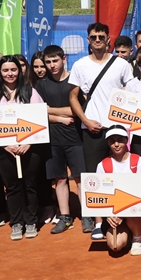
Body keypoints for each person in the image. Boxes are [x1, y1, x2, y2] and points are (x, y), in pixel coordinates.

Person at [0, 55, 45, 241]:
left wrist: (28, 143)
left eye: (13, 70)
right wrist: (6, 144)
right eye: (5, 70)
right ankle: (17, 222)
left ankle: (31, 220)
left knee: (29, 185)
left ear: (19, 71)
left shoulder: (30, 92)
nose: (10, 74)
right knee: (12, 187)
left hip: (30, 149)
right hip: (4, 151)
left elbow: (40, 119)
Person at [34, 45, 88, 235]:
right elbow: (38, 112)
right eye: (48, 62)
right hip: (53, 140)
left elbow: (77, 110)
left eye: (55, 61)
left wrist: (50, 109)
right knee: (60, 179)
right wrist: (60, 115)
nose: (51, 65)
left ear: (63, 59)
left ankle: (87, 215)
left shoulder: (74, 81)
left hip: (76, 138)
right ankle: (65, 217)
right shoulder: (41, 85)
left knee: (81, 178)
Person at [69, 23, 133, 175]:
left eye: (101, 37)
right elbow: (72, 98)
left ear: (108, 40)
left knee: (122, 171)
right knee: (94, 173)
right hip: (93, 128)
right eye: (93, 37)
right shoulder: (80, 65)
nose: (97, 40)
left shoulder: (121, 64)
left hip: (118, 126)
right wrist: (86, 121)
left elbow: (131, 92)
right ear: (88, 40)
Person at [95, 125, 141, 255]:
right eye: (112, 141)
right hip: (114, 214)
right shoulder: (102, 165)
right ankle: (128, 233)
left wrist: (123, 214)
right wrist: (108, 214)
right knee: (115, 246)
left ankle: (137, 238)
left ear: (126, 141)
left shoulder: (139, 161)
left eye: (120, 140)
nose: (116, 144)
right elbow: (100, 194)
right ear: (108, 143)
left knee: (134, 209)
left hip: (135, 210)